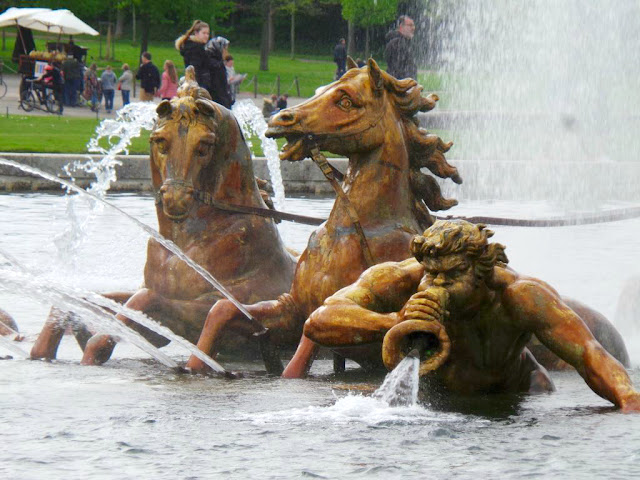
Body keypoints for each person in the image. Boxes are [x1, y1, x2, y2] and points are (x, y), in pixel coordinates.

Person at [284, 219, 640, 412]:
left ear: (482, 270)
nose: (436, 283)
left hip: (514, 401)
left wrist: (628, 399)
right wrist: (393, 320)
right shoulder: (402, 277)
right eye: (431, 273)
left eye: (451, 275)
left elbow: (590, 353)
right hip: (437, 404)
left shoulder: (520, 295)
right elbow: (319, 320)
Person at [176, 20, 212, 94]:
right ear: (196, 33)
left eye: (208, 33)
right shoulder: (196, 48)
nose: (206, 36)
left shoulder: (193, 46)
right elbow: (196, 69)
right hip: (199, 85)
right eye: (204, 33)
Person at [384, 15, 417, 80]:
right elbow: (396, 70)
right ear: (401, 27)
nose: (413, 28)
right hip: (401, 86)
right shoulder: (397, 43)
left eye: (413, 25)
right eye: (410, 25)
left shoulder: (404, 42)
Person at [204, 35, 232, 108]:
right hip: (217, 102)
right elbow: (218, 86)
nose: (227, 52)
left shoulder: (217, 62)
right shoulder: (215, 65)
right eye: (225, 49)